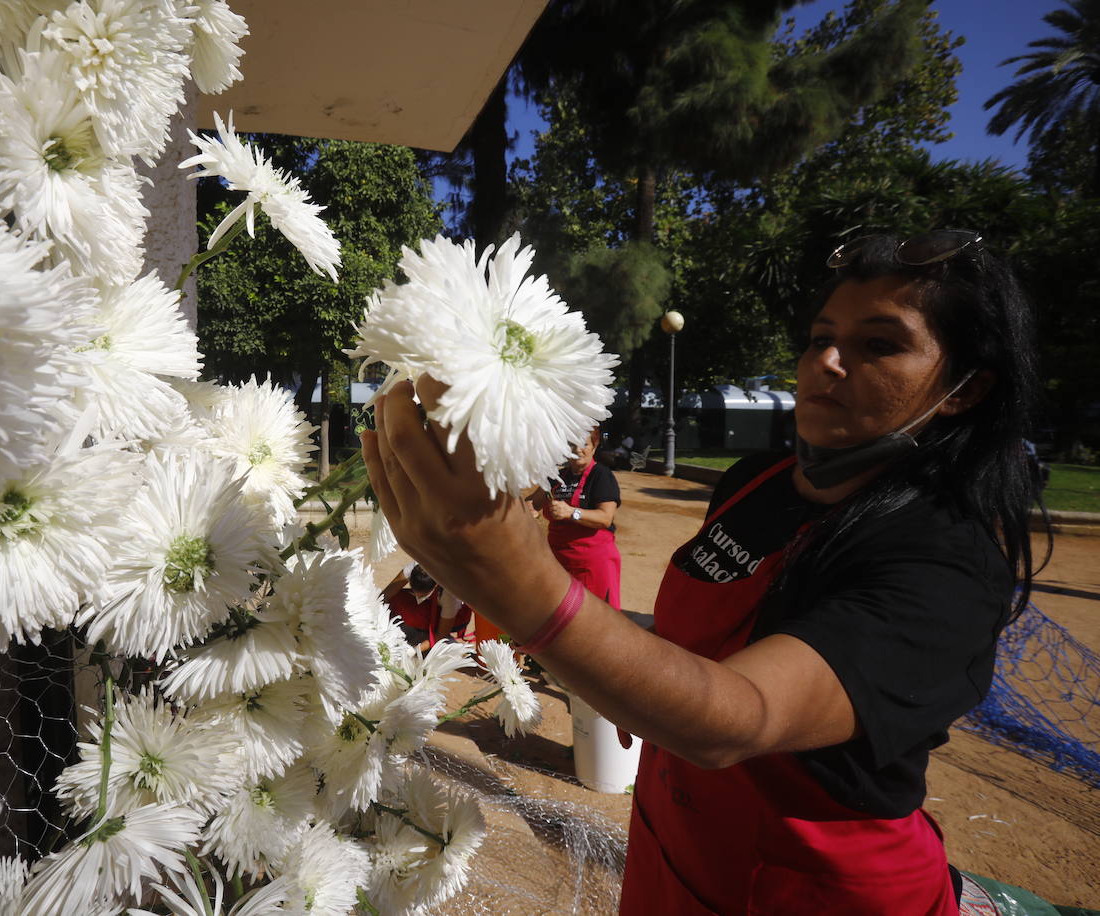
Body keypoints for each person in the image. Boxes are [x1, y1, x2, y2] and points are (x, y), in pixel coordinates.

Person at [361, 229, 1048, 915]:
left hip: (816, 892)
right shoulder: (759, 482)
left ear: (965, 388)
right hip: (672, 851)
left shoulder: (947, 562)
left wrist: (525, 585)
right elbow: (693, 640)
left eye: (879, 344)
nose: (828, 362)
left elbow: (738, 719)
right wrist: (642, 684)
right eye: (819, 337)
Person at [531, 428, 623, 609]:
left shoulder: (602, 475)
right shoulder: (556, 476)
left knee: (595, 619)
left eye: (584, 444)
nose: (577, 450)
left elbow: (605, 518)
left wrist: (571, 512)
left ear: (594, 446)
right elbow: (532, 504)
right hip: (559, 562)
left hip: (592, 564)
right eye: (572, 445)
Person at [380, 562, 472, 652]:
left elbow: (442, 634)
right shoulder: (411, 569)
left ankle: (450, 641)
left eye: (423, 595)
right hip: (434, 603)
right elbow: (383, 597)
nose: (417, 597)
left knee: (415, 616)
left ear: (435, 585)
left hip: (457, 617)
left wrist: (415, 651)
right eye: (413, 590)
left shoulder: (449, 595)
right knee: (396, 599)